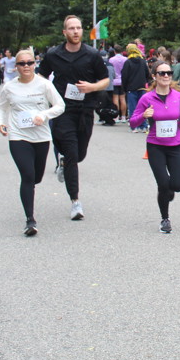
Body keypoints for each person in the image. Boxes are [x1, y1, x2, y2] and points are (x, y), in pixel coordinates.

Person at [38, 15, 110, 221]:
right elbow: (41, 76)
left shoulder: (92, 54)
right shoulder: (53, 54)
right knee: (71, 153)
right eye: (71, 28)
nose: (75, 31)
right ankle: (75, 202)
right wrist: (47, 94)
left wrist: (92, 87)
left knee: (79, 155)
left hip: (85, 108)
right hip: (62, 110)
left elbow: (105, 79)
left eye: (78, 28)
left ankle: (65, 163)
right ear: (65, 32)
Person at [0, 49, 66, 236]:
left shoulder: (44, 84)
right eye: (22, 63)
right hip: (18, 136)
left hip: (41, 137)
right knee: (27, 176)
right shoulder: (9, 87)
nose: (26, 66)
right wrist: (0, 123)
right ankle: (30, 220)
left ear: (35, 64)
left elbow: (60, 105)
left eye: (29, 62)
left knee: (36, 177)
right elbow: (0, 108)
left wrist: (44, 115)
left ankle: (35, 183)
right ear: (16, 67)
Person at [130, 61, 180, 233]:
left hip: (175, 145)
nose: (166, 76)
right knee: (163, 184)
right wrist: (144, 116)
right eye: (162, 73)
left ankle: (169, 190)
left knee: (178, 185)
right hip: (155, 146)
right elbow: (133, 122)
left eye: (169, 73)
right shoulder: (147, 98)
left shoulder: (179, 97)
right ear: (154, 76)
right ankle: (165, 219)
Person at [121, 44, 152, 133]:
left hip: (131, 88)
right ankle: (143, 126)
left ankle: (134, 126)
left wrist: (125, 88)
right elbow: (147, 74)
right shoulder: (142, 62)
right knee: (143, 107)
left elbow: (124, 76)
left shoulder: (128, 62)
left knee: (133, 108)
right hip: (142, 88)